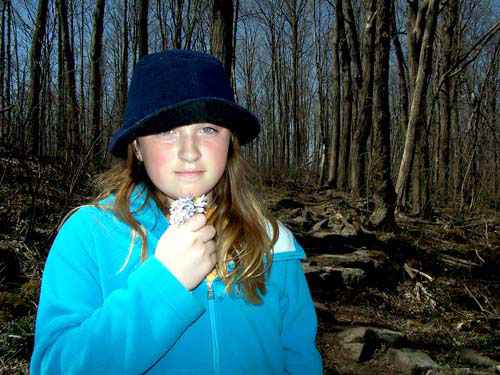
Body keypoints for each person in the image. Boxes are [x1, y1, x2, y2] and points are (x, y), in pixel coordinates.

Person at [30, 49, 322, 374]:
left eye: (208, 129)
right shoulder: (90, 235)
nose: (189, 152)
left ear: (230, 141)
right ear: (137, 146)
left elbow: (301, 360)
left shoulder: (273, 242)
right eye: (167, 131)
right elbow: (54, 366)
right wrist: (164, 285)